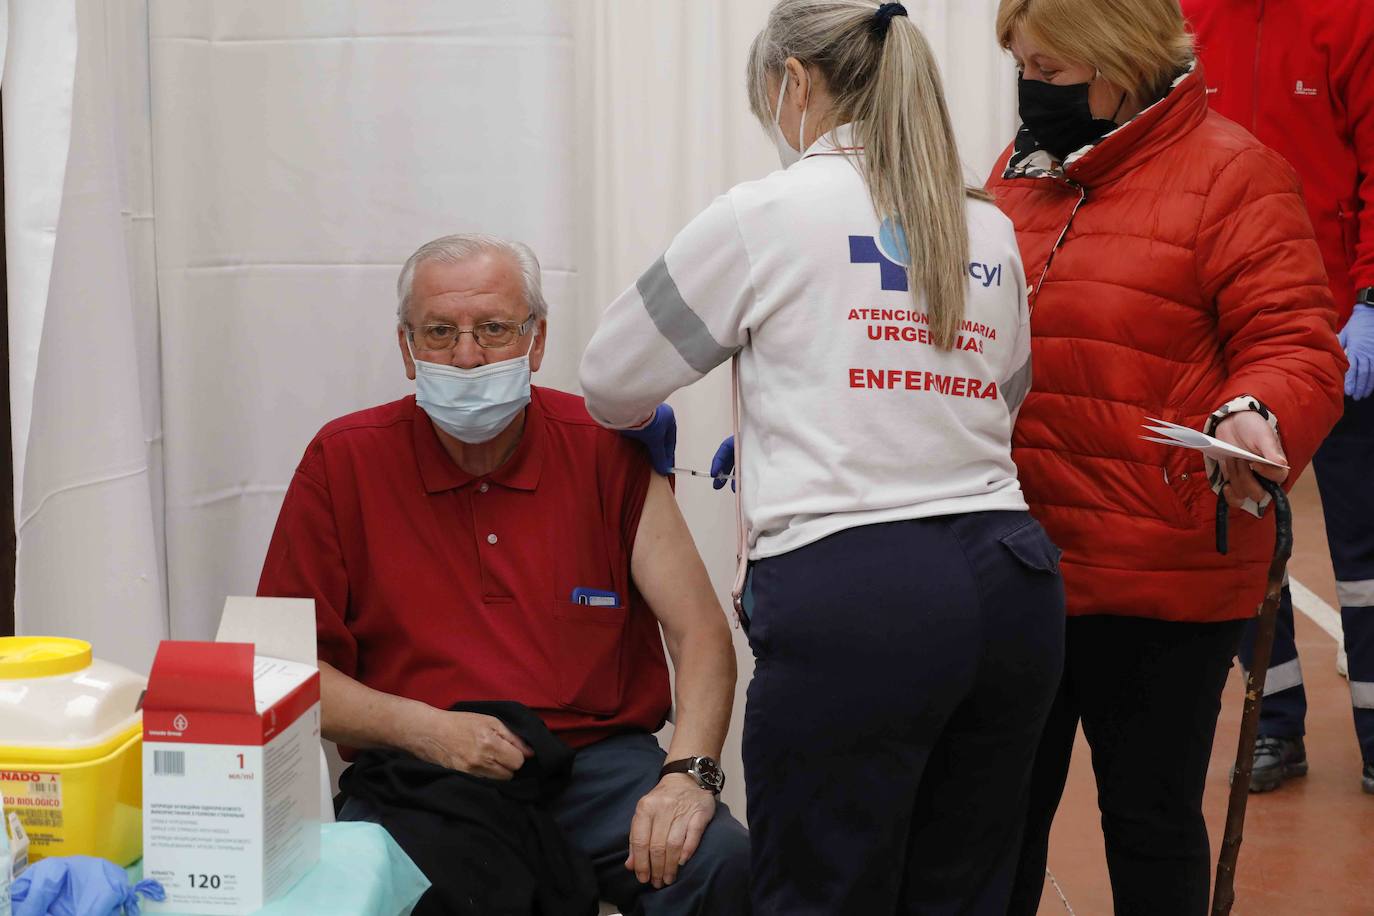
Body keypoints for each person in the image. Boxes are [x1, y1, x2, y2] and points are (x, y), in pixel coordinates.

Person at [580, 2, 1066, 912]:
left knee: (823, 890)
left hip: (861, 595)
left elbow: (610, 377)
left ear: (794, 81)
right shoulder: (987, 226)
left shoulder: (766, 212)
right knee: (965, 888)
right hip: (1012, 585)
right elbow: (1000, 399)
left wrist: (784, 419)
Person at [257, 234, 749, 915]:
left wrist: (689, 776)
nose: (466, 355)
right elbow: (280, 671)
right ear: (406, 348)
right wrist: (422, 728)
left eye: (493, 329)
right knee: (431, 889)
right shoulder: (343, 462)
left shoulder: (603, 447)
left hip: (597, 767)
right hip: (420, 768)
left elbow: (700, 634)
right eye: (439, 332)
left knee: (721, 863)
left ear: (536, 341)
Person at [985, 1, 1348, 913]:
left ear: (1126, 60)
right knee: (994, 827)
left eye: (1055, 73)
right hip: (1020, 562)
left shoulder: (1234, 175)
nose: (1033, 90)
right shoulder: (1018, 175)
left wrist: (1256, 412)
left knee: (1147, 826)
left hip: (1160, 570)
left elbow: (1297, 344)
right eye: (1022, 66)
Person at [1182, 0, 1374, 797]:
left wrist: (1373, 299)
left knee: (1366, 555)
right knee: (1244, 533)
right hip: (1237, 333)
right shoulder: (1186, 17)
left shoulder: (1354, 18)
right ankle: (1273, 724)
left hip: (1341, 329)